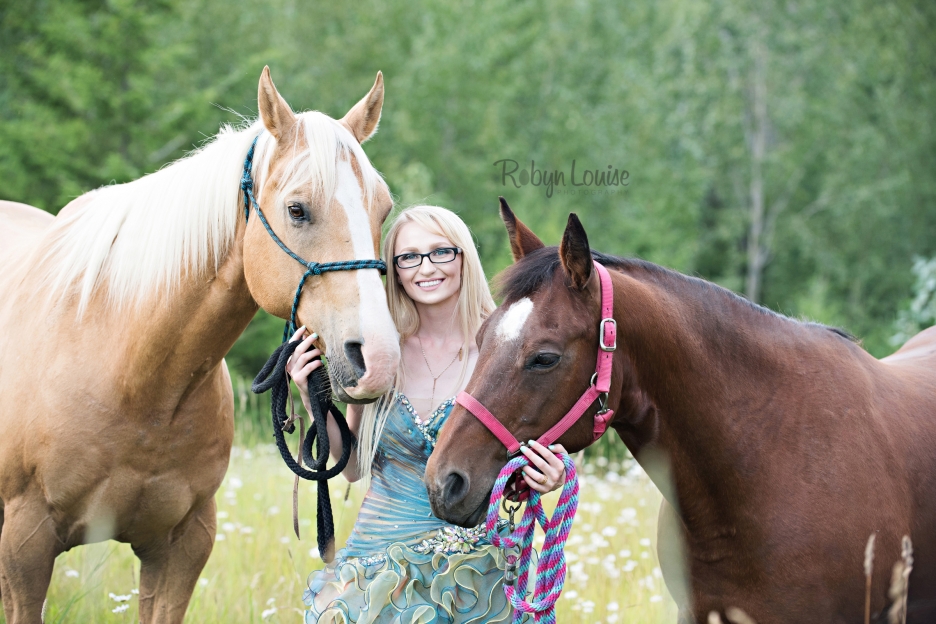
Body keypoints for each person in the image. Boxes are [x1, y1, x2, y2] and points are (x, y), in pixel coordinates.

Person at [287, 205, 568, 623]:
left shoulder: (505, 351)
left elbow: (542, 444)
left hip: (477, 571)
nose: (425, 267)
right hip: (379, 565)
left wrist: (551, 476)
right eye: (409, 257)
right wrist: (313, 397)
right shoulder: (380, 352)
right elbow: (353, 468)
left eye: (441, 252)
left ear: (463, 258)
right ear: (395, 270)